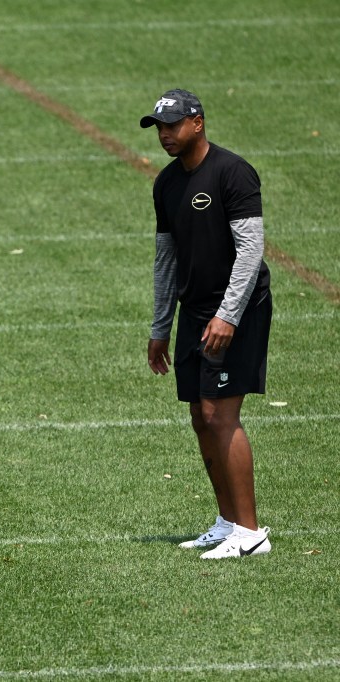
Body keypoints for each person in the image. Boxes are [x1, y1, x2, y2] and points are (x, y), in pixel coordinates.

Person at [141, 89, 273, 559]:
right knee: (201, 417)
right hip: (197, 312)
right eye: (159, 126)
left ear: (198, 123)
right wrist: (161, 327)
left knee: (221, 414)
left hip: (238, 311)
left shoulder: (233, 173)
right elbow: (166, 259)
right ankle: (227, 522)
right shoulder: (166, 184)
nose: (165, 134)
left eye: (173, 125)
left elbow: (250, 253)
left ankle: (252, 533)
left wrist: (227, 315)